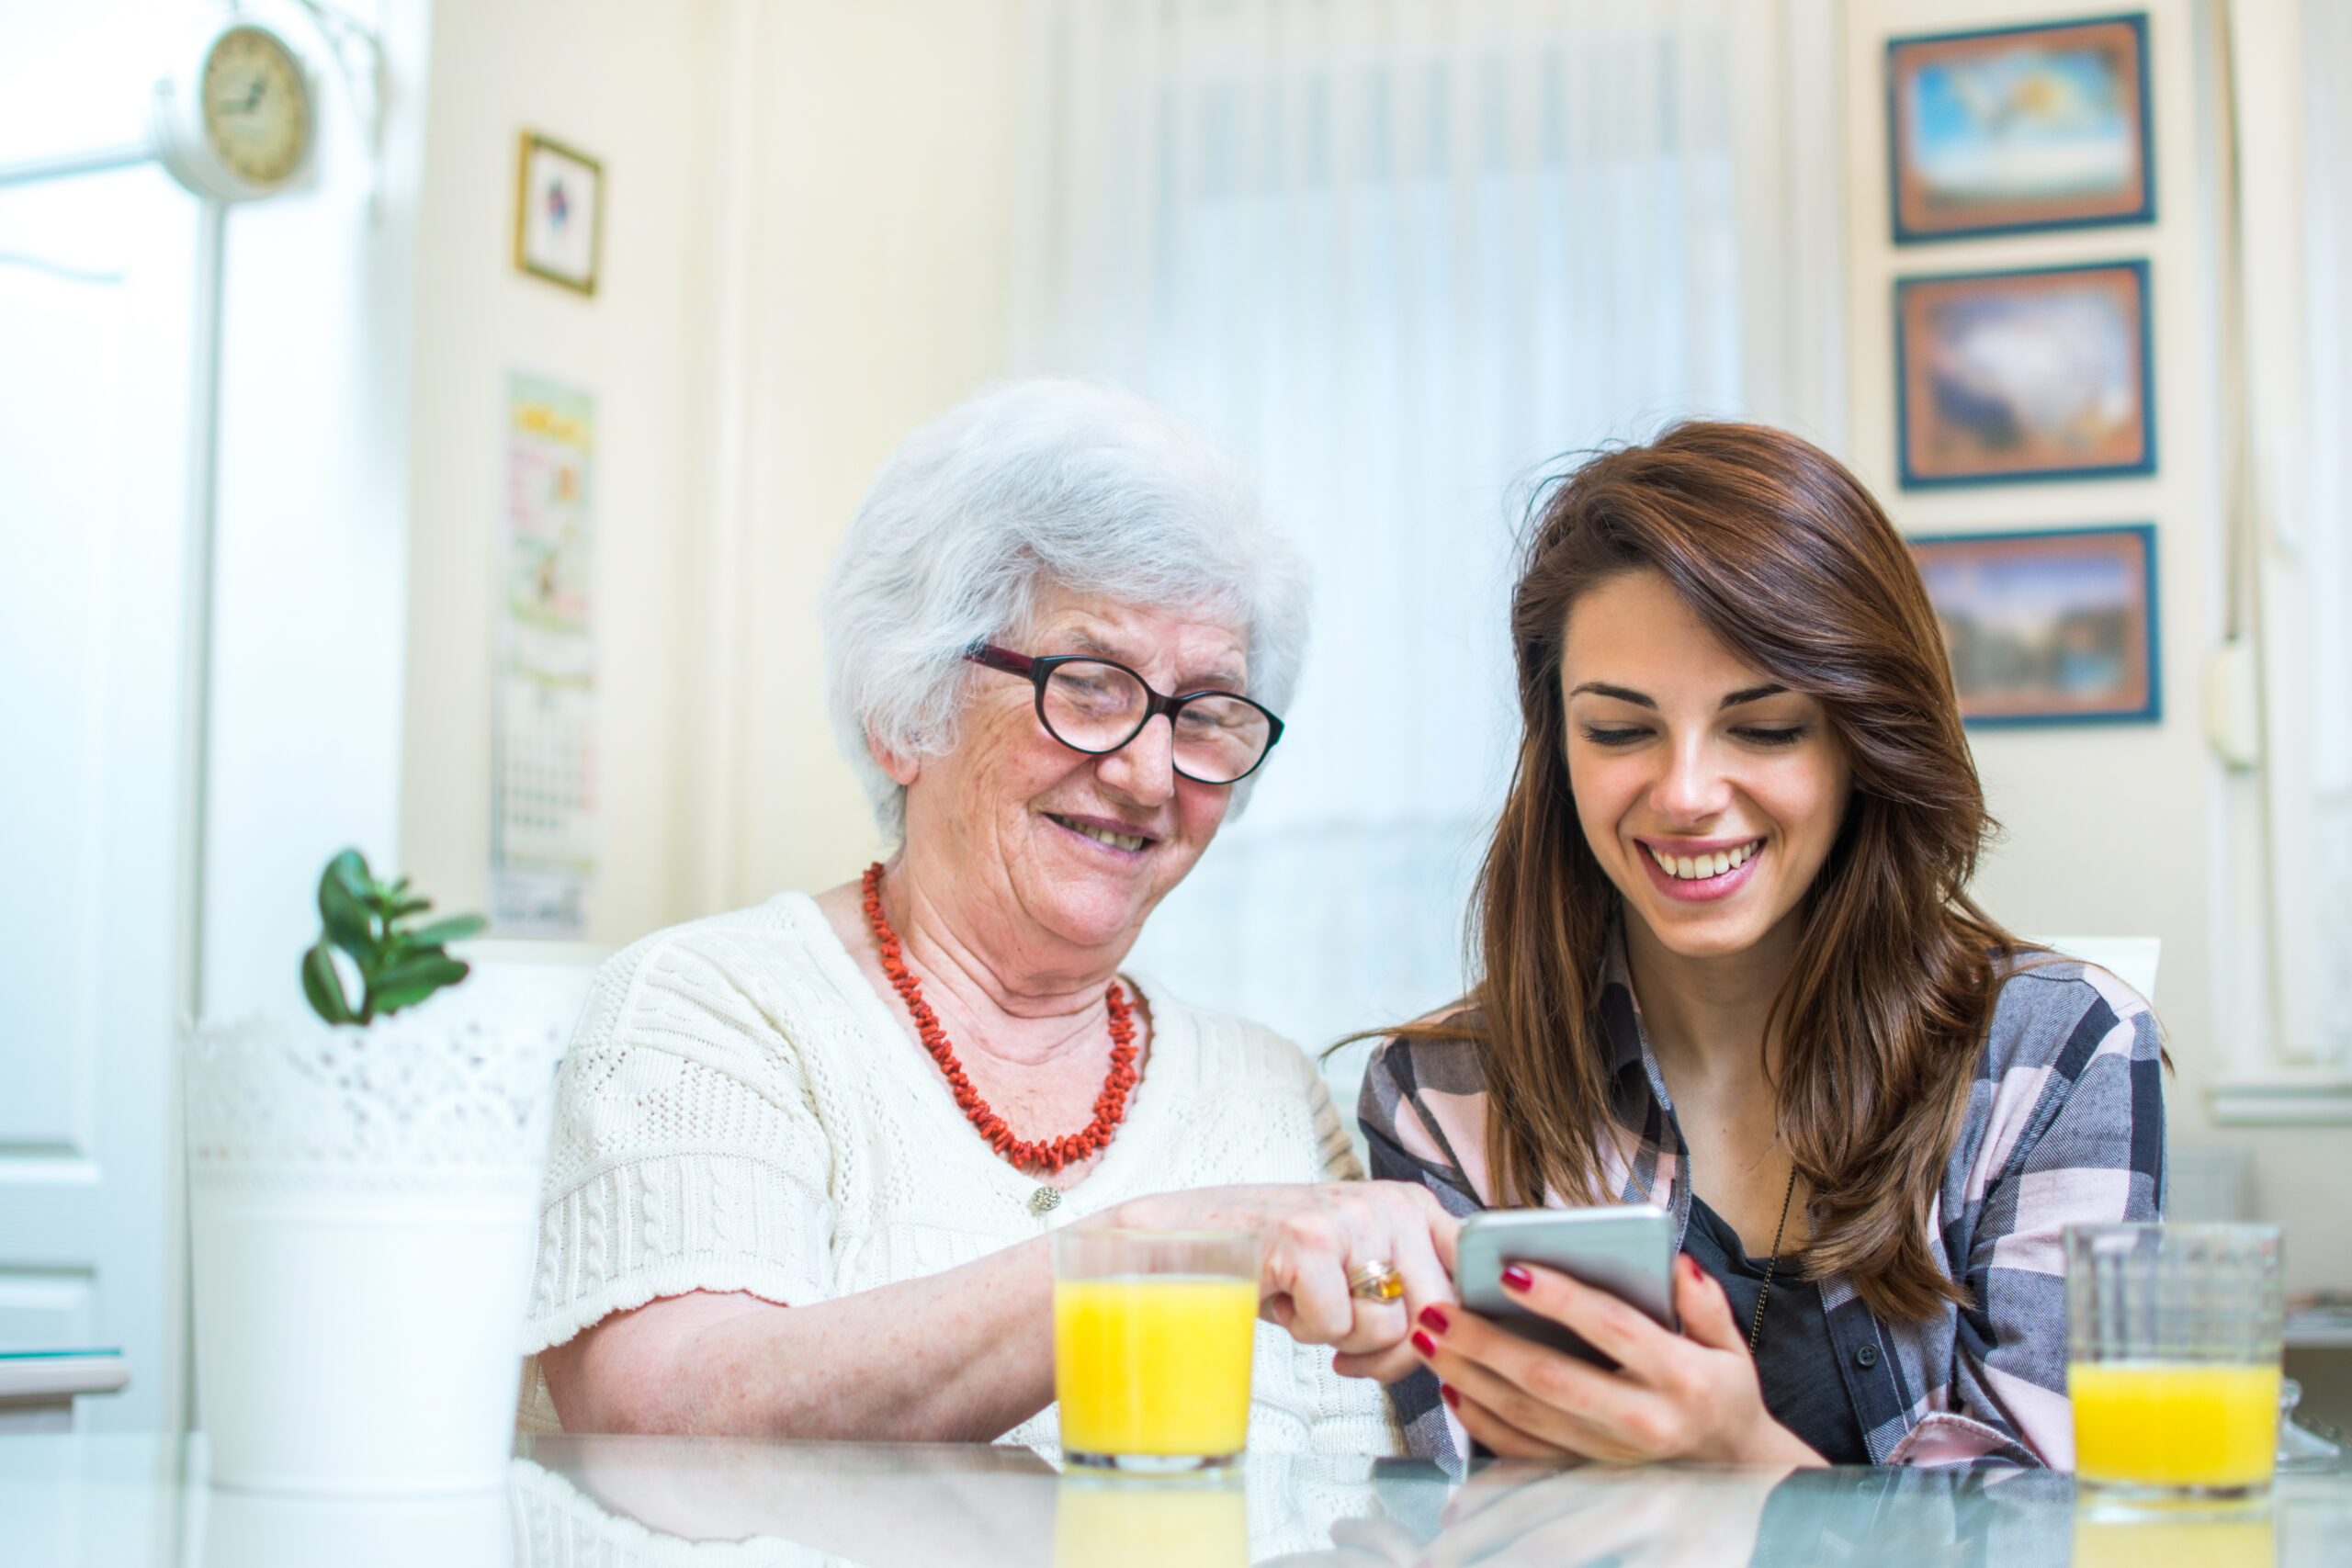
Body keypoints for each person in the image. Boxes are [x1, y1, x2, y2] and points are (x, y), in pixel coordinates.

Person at [522, 378, 1455, 1452]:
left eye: (1203, 712)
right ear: (904, 712)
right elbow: (667, 1413)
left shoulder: (1268, 1091)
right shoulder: (707, 1014)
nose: (1150, 775)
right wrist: (1164, 1250)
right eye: (1090, 684)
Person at [1361, 422, 2164, 1469]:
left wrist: (1745, 1465)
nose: (1686, 794)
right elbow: (1477, 1519)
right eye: (1617, 729)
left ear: (1860, 742)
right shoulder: (1441, 1096)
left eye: (1766, 727)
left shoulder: (2057, 1055)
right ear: (1556, 749)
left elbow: (2060, 1536)